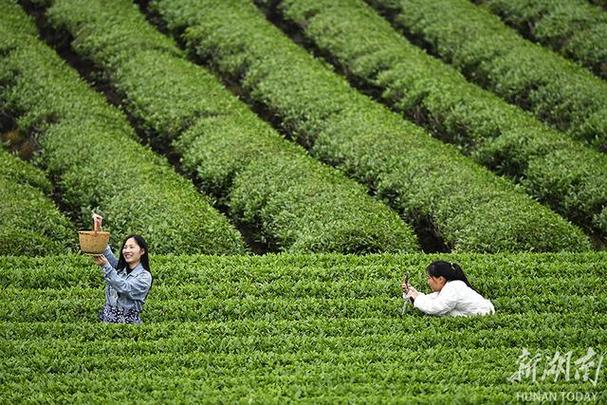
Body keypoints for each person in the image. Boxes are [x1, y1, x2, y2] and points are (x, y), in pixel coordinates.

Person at [92, 213, 153, 324]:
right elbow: (107, 253)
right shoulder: (120, 269)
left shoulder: (145, 276)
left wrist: (106, 266)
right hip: (106, 323)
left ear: (142, 251)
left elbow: (125, 287)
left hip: (128, 327)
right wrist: (99, 231)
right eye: (125, 247)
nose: (126, 250)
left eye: (131, 247)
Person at [402, 260, 494, 317]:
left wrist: (416, 298)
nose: (428, 281)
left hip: (482, 315)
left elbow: (435, 308)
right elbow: (432, 299)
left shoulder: (453, 288)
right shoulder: (450, 286)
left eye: (429, 278)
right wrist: (413, 293)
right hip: (479, 314)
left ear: (441, 279)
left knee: (444, 313)